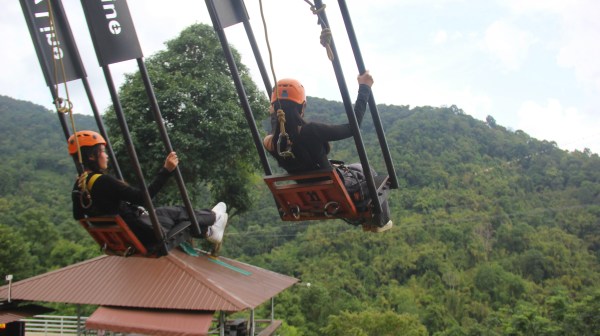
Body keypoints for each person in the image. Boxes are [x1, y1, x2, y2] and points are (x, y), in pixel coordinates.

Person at [263, 71, 392, 232]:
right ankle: (380, 221)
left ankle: (372, 220)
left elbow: (278, 127)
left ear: (274, 109)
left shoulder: (271, 142)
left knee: (357, 168)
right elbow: (353, 127)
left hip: (309, 193)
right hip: (334, 188)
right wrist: (364, 87)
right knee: (363, 169)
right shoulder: (312, 130)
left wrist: (275, 111)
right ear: (302, 106)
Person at [69, 130, 228, 251]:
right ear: (91, 156)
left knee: (166, 212)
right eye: (102, 151)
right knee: (179, 212)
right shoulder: (103, 181)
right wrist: (166, 170)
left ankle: (209, 230)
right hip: (145, 234)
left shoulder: (79, 186)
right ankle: (214, 218)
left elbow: (78, 215)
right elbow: (142, 197)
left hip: (126, 237)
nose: (106, 156)